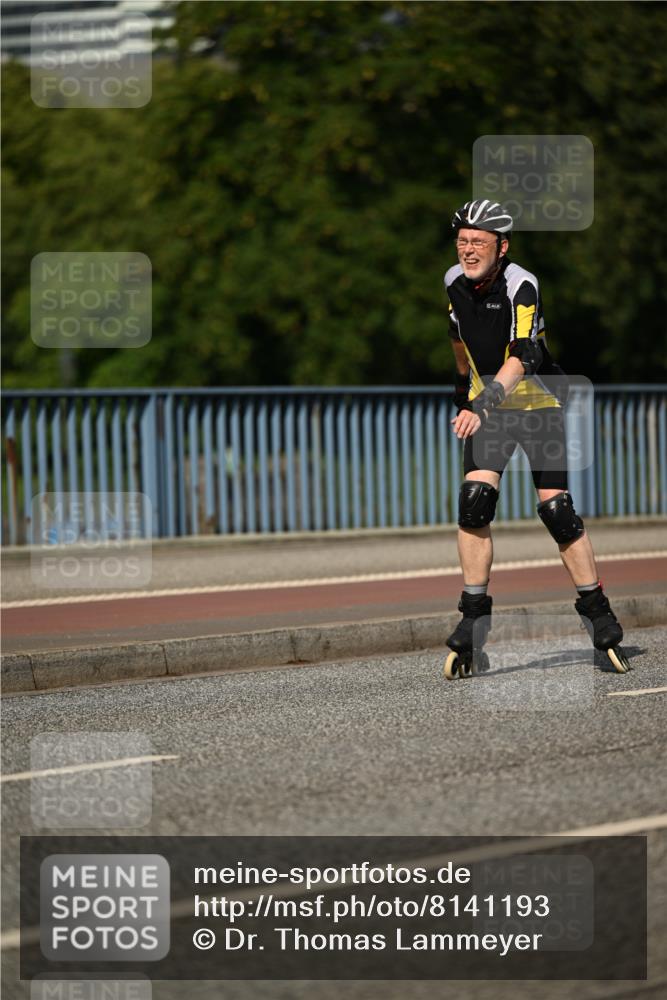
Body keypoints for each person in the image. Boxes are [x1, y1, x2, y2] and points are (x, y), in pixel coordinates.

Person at [442, 199, 630, 677]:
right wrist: (464, 390)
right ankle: (472, 622)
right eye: (463, 241)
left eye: (478, 242)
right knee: (474, 501)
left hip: (537, 404)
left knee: (557, 510)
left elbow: (525, 354)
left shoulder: (521, 284)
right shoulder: (452, 282)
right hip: (491, 409)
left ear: (501, 246)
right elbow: (458, 337)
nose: (468, 250)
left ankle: (599, 615)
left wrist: (482, 404)